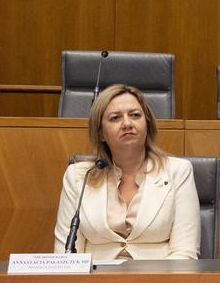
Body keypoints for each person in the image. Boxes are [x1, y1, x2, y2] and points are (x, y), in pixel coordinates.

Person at [53, 84, 200, 259]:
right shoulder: (79, 176)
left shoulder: (178, 171)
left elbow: (185, 253)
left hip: (158, 281)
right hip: (95, 282)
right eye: (115, 118)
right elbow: (65, 254)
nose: (127, 123)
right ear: (100, 133)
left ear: (147, 124)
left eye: (135, 115)